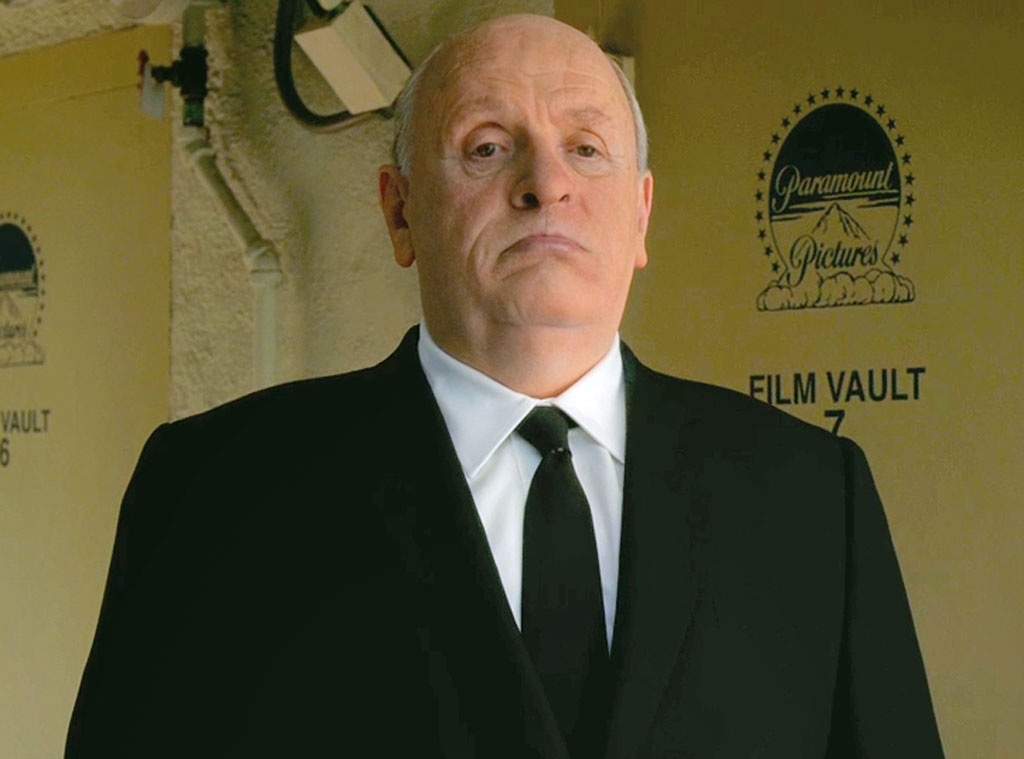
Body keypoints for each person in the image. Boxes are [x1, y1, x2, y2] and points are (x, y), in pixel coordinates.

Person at [66, 13, 944, 759]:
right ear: (400, 210)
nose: (547, 185)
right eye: (487, 148)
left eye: (586, 148)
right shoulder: (214, 491)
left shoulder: (811, 496)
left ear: (640, 213)